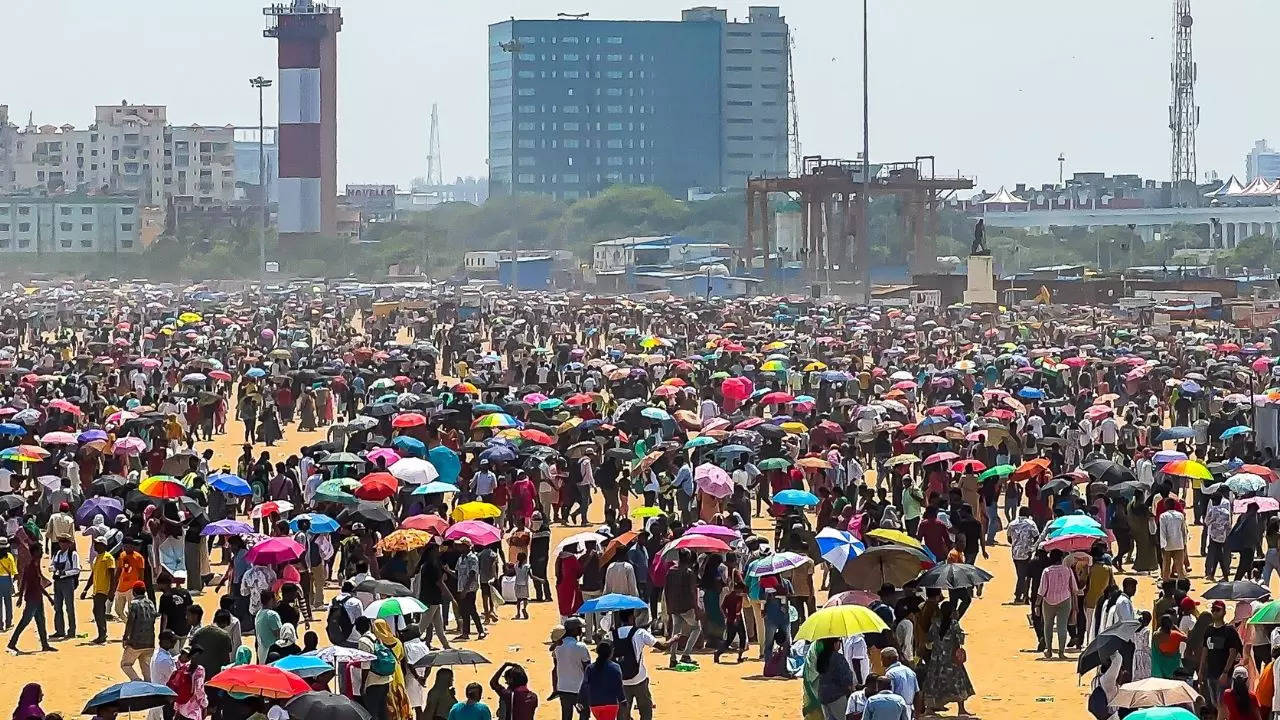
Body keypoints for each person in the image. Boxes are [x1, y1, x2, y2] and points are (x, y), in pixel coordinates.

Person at [921, 600, 974, 716]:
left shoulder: (935, 623)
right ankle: (961, 710)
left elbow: (929, 639)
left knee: (934, 683)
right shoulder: (954, 624)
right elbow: (961, 640)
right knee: (958, 684)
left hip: (936, 660)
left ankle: (929, 708)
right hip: (951, 660)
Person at [8, 544, 54, 654]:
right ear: (35, 552)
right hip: (33, 597)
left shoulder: (33, 565)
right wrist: (49, 597)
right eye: (40, 551)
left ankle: (44, 644)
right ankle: (12, 643)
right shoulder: (32, 566)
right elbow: (36, 584)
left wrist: (20, 596)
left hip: (35, 597)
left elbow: (24, 581)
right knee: (25, 621)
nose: (42, 552)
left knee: (41, 621)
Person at [1037, 550, 1079, 660]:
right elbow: (1074, 588)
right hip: (1065, 600)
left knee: (1048, 625)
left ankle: (1049, 650)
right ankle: (1061, 652)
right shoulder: (1068, 570)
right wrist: (1075, 603)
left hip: (1048, 601)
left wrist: (1037, 604)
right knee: (1062, 626)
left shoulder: (1046, 571)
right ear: (1061, 559)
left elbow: (1042, 590)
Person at [551, 619, 591, 720]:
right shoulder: (581, 647)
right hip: (579, 689)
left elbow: (556, 667)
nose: (581, 631)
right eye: (579, 628)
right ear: (574, 630)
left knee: (566, 716)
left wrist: (555, 688)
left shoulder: (558, 646)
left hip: (563, 688)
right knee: (584, 714)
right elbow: (588, 668)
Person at [578, 641, 625, 720]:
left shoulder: (590, 668)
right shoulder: (616, 667)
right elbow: (618, 686)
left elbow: (584, 685)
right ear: (611, 652)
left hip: (594, 704)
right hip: (611, 704)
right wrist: (622, 699)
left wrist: (580, 700)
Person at [81, 537, 115, 644]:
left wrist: (111, 591)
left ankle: (102, 634)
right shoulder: (96, 558)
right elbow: (93, 575)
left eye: (98, 544)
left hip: (104, 589)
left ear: (104, 545)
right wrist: (86, 589)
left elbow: (112, 575)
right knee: (97, 611)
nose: (95, 545)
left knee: (98, 611)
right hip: (97, 589)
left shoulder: (108, 558)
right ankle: (102, 633)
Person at [121, 581, 157, 681]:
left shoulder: (134, 604)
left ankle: (137, 681)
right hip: (150, 642)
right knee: (146, 669)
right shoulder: (151, 603)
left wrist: (125, 637)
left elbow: (130, 623)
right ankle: (149, 687)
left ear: (134, 592)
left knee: (125, 664)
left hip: (136, 643)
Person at [814, 637, 856, 720]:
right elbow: (845, 678)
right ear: (834, 644)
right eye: (839, 641)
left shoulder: (820, 657)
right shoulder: (837, 657)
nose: (840, 643)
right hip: (837, 696)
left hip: (823, 695)